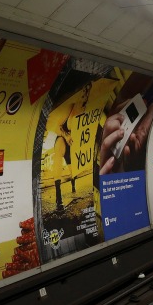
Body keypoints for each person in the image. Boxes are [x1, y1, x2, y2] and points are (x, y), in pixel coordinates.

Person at [52, 82, 90, 214]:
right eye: (82, 91)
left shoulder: (87, 111)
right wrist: (65, 135)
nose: (83, 95)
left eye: (86, 93)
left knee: (72, 170)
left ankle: (73, 183)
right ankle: (58, 194)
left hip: (74, 146)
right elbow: (56, 126)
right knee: (57, 151)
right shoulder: (69, 107)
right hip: (63, 138)